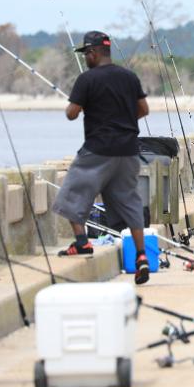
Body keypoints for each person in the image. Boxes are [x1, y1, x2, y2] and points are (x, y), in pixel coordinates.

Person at [51, 31, 152, 285]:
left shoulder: (87, 79)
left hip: (98, 149)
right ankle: (141, 256)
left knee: (73, 192)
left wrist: (85, 106)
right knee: (129, 201)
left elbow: (71, 114)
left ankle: (82, 243)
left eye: (86, 53)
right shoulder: (129, 77)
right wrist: (123, 122)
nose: (85, 58)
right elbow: (143, 109)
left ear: (94, 53)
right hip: (128, 150)